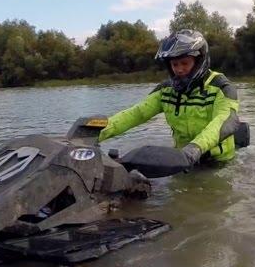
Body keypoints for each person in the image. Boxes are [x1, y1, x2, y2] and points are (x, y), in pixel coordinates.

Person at [97, 29, 240, 168]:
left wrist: (195, 148)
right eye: (174, 64)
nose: (178, 69)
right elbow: (136, 113)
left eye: (184, 63)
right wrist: (94, 133)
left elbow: (226, 120)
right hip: (181, 162)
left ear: (198, 61)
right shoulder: (165, 90)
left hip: (219, 164)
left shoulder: (221, 87)